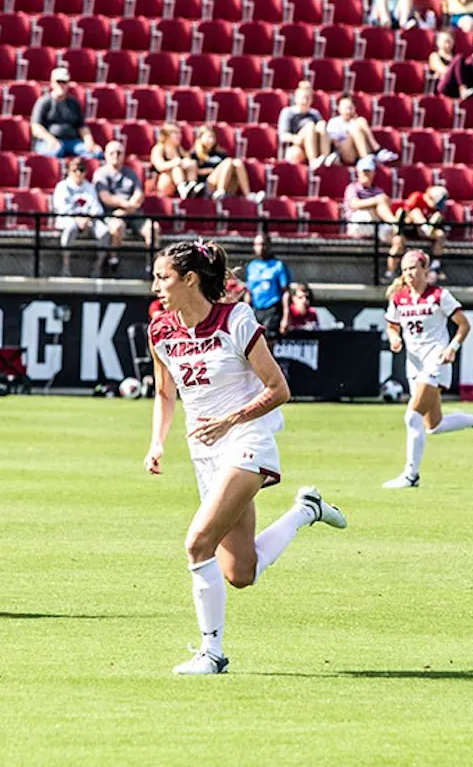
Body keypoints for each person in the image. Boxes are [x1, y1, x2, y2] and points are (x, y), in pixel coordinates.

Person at [144, 239, 347, 675]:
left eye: (163, 278)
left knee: (196, 543)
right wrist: (157, 443)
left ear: (190, 279)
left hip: (248, 437)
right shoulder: (159, 330)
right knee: (240, 572)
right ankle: (305, 511)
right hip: (205, 450)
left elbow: (280, 390)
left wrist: (228, 421)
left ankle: (212, 654)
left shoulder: (234, 318)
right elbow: (165, 393)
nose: (156, 286)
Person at [381, 250, 473, 489]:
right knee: (433, 425)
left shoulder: (439, 295)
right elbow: (391, 325)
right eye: (404, 269)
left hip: (436, 361)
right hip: (414, 364)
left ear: (425, 270)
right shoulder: (399, 298)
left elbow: (463, 325)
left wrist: (452, 348)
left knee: (411, 416)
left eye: (413, 268)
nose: (408, 273)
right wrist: (394, 338)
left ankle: (411, 475)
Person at [94, 141, 155, 271]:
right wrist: (126, 205)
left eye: (119, 153)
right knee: (117, 226)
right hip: (112, 213)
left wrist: (129, 208)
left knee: (153, 228)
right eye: (112, 153)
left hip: (133, 212)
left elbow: (139, 194)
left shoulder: (131, 173)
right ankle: (113, 260)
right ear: (105, 155)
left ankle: (151, 264)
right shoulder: (100, 174)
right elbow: (106, 198)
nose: (116, 155)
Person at [52, 156, 108, 276]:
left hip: (88, 219)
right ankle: (65, 267)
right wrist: (77, 219)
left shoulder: (89, 187)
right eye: (75, 170)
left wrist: (86, 219)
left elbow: (96, 208)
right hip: (68, 219)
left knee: (104, 232)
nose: (78, 173)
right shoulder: (62, 186)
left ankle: (97, 267)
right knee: (70, 228)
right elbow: (61, 208)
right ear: (68, 171)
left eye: (81, 170)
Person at [31, 67, 100, 159]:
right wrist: (50, 139)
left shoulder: (73, 103)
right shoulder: (44, 102)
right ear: (52, 83)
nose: (61, 85)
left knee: (96, 153)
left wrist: (89, 141)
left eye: (64, 82)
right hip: (47, 141)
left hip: (72, 142)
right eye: (58, 81)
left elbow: (81, 126)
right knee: (55, 152)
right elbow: (36, 126)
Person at [192, 124, 262, 202]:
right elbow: (192, 172)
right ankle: (220, 191)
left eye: (213, 137)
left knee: (237, 162)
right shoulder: (195, 154)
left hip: (228, 185)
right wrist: (209, 170)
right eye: (208, 137)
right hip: (207, 186)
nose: (211, 140)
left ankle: (248, 195)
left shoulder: (221, 154)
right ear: (200, 138)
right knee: (228, 161)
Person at [324, 94, 397, 167]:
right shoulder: (334, 122)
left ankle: (376, 151)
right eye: (346, 108)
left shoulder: (357, 122)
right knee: (354, 128)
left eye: (351, 107)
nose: (348, 111)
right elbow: (335, 143)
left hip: (358, 151)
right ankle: (371, 155)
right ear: (339, 108)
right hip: (344, 153)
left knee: (361, 121)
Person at [277, 81, 333, 168]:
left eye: (308, 98)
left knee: (321, 124)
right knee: (310, 126)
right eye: (303, 98)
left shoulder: (315, 113)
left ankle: (325, 157)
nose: (305, 101)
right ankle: (313, 160)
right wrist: (294, 138)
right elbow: (283, 135)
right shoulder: (288, 112)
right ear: (296, 98)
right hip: (297, 143)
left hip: (315, 142)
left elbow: (322, 131)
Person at [244, 233, 289, 340]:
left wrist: (286, 316)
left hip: (272, 308)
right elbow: (249, 291)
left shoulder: (278, 265)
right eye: (257, 245)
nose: (260, 248)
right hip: (256, 309)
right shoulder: (252, 266)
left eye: (263, 244)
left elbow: (285, 292)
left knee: (269, 342)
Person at [388, 185, 448, 263]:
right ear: (430, 198)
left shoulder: (437, 211)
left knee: (440, 235)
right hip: (408, 228)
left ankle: (435, 266)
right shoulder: (417, 196)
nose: (437, 207)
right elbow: (405, 212)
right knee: (415, 212)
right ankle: (389, 273)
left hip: (425, 232)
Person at [149, 122, 199, 198]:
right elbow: (159, 166)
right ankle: (182, 188)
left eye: (180, 133)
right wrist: (175, 162)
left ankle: (191, 186)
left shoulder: (180, 149)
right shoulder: (159, 148)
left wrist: (186, 163)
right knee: (176, 167)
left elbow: (189, 163)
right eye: (175, 133)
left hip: (183, 179)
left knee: (192, 163)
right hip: (164, 183)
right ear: (167, 134)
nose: (179, 136)